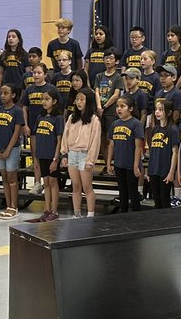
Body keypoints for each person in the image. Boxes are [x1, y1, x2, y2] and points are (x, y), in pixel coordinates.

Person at [61, 88, 102, 218]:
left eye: (82, 99)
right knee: (76, 186)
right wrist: (64, 154)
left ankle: (90, 215)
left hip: (85, 154)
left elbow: (95, 141)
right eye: (77, 99)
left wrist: (91, 160)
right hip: (72, 153)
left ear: (88, 101)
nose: (78, 102)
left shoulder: (94, 120)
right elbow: (65, 136)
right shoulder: (72, 117)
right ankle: (76, 213)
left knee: (87, 187)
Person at [21, 64, 58, 198]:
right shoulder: (29, 90)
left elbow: (58, 106)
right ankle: (37, 182)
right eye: (34, 73)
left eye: (38, 73)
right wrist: (25, 125)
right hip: (33, 127)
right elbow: (24, 107)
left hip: (48, 128)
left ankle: (48, 182)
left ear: (45, 74)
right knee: (35, 155)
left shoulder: (51, 88)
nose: (35, 75)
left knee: (46, 155)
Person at [28, 90, 64, 222]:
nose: (43, 101)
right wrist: (36, 157)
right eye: (42, 99)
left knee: (53, 182)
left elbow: (59, 140)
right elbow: (37, 136)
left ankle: (55, 211)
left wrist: (56, 159)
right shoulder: (40, 117)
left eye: (47, 99)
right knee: (46, 183)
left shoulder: (58, 118)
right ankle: (47, 209)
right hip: (42, 154)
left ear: (54, 101)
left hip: (52, 155)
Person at [0, 84, 26, 220]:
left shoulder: (17, 111)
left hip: (12, 149)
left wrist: (8, 150)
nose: (2, 95)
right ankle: (8, 205)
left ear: (12, 95)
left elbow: (16, 132)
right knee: (4, 178)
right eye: (1, 93)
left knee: (12, 178)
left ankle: (14, 207)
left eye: (6, 93)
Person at [109, 96, 144, 212]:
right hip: (119, 163)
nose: (119, 109)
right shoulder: (114, 124)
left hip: (131, 164)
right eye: (117, 106)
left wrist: (135, 165)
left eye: (122, 106)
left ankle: (135, 217)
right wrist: (109, 163)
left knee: (133, 192)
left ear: (131, 108)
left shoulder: (136, 124)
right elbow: (111, 145)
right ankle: (122, 215)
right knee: (122, 192)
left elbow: (138, 147)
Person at [147, 98, 180, 209]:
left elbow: (175, 153)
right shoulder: (154, 129)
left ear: (169, 112)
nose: (157, 112)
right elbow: (152, 151)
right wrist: (149, 170)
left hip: (165, 170)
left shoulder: (173, 130)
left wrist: (171, 173)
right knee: (156, 200)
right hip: (154, 170)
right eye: (156, 109)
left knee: (164, 200)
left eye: (161, 110)